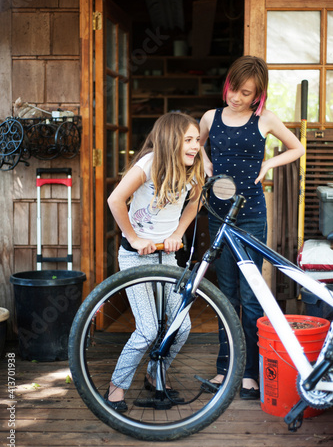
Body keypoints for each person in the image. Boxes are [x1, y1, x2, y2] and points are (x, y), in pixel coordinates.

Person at [199, 55, 305, 400]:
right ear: (228, 84)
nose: (237, 98)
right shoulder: (210, 117)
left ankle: (250, 374)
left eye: (246, 93)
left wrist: (269, 162)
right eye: (234, 89)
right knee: (225, 293)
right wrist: (206, 162)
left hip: (252, 215)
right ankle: (224, 368)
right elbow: (196, 146)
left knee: (251, 295)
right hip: (219, 214)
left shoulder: (264, 119)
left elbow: (297, 148)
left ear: (257, 95)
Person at [105, 112, 205, 411]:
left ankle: (154, 373)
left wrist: (177, 232)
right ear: (170, 140)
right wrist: (134, 238)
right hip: (136, 257)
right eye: (188, 140)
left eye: (197, 140)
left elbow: (196, 200)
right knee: (147, 329)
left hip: (167, 255)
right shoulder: (148, 165)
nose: (195, 146)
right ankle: (115, 387)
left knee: (181, 326)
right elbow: (114, 200)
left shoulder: (193, 168)